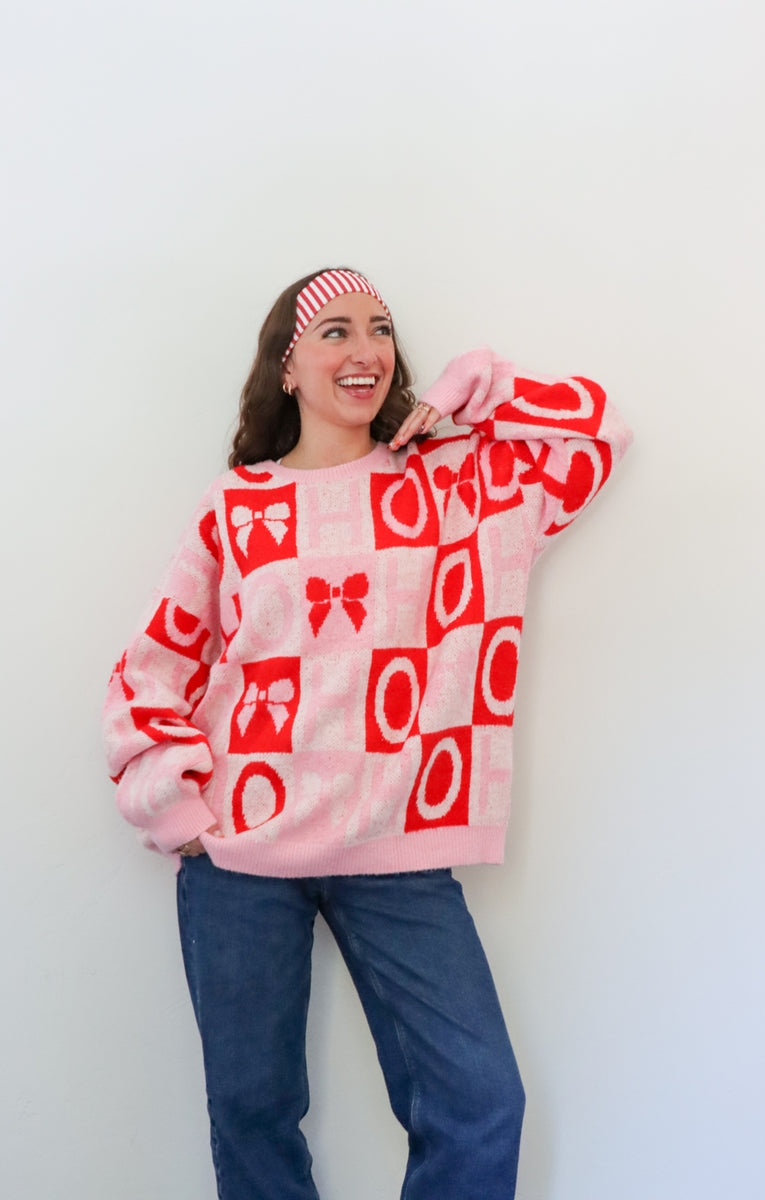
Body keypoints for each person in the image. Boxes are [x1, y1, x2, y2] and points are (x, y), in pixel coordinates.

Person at [103, 266, 632, 1199]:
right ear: (287, 366)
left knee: (481, 1103)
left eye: (380, 329)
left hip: (395, 846)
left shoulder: (452, 482)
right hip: (242, 856)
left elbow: (595, 435)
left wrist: (481, 390)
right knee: (252, 1114)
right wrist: (178, 810)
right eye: (336, 330)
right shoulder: (238, 507)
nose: (366, 349)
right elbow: (154, 665)